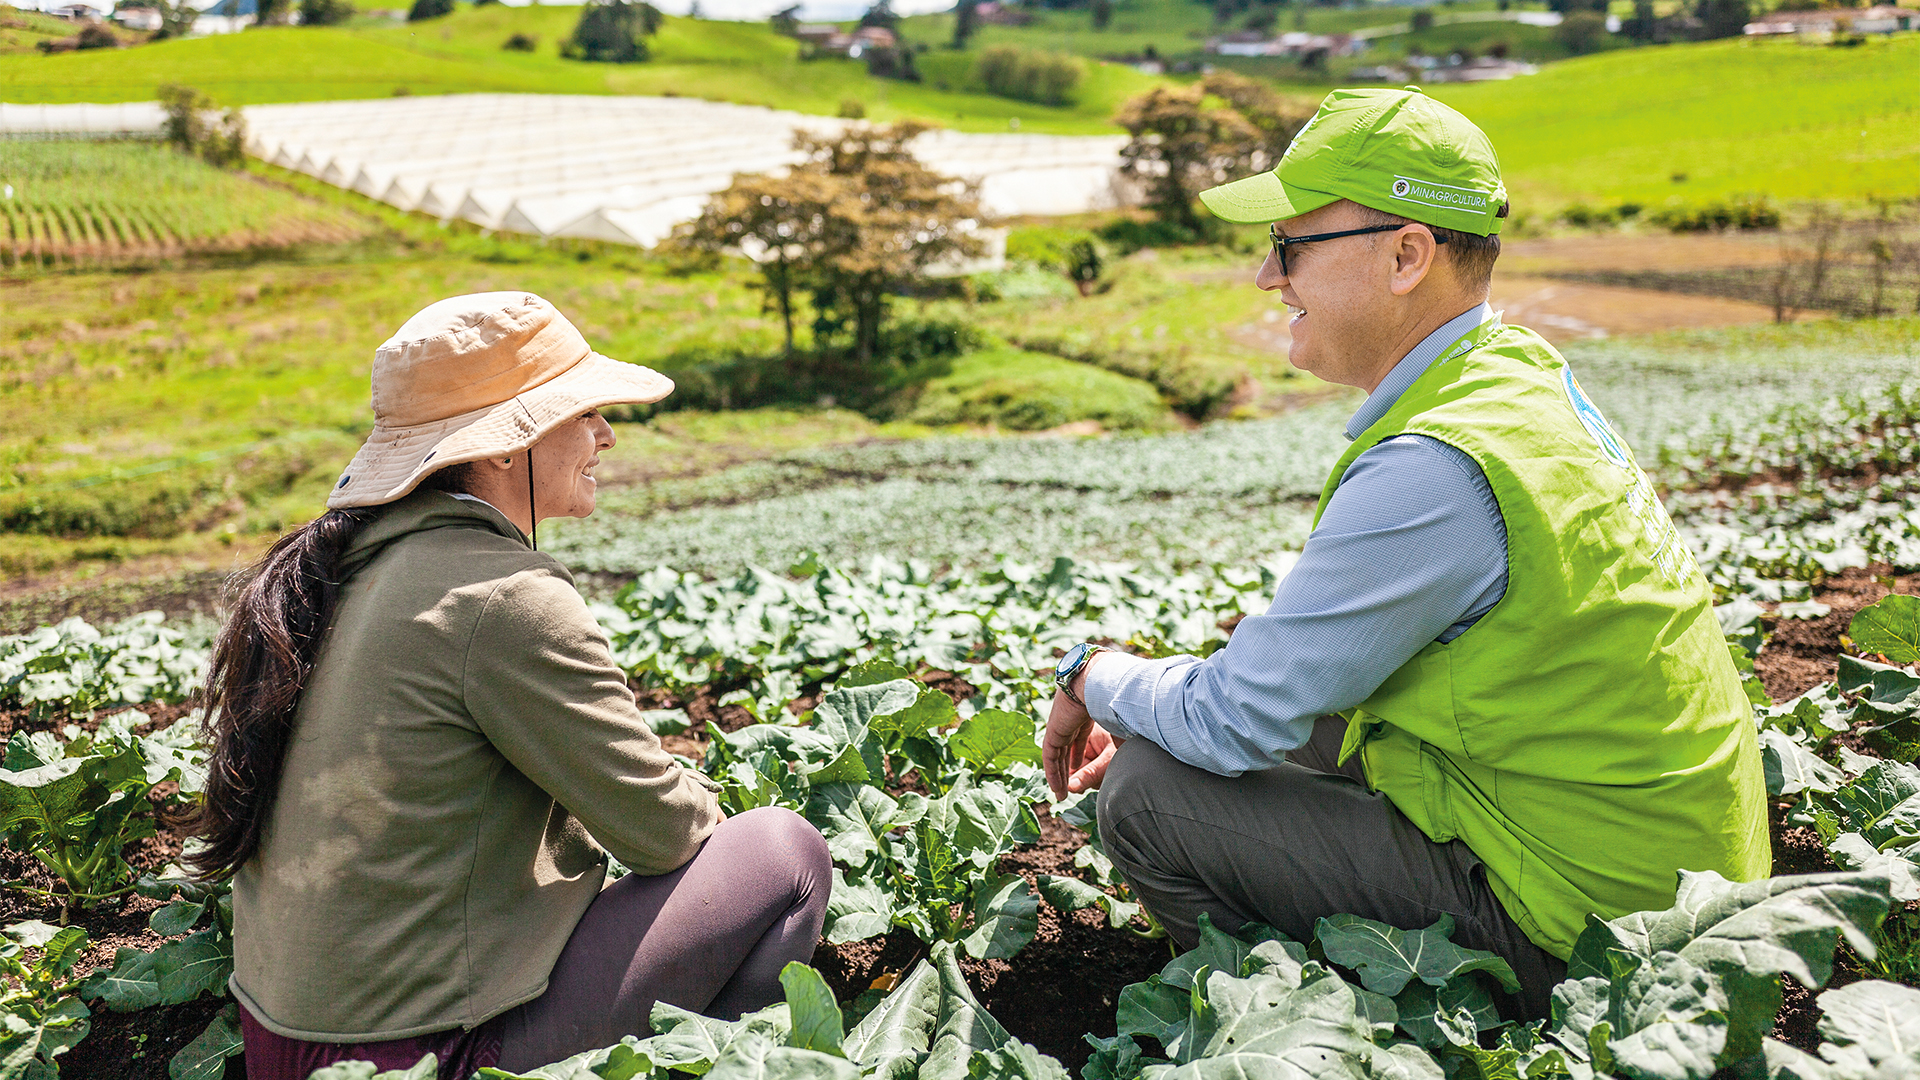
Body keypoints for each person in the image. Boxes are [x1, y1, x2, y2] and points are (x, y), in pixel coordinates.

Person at [1039, 88, 1769, 1017]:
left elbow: (1233, 718)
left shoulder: (1435, 468)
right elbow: (1285, 690)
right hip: (1669, 881)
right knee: (1260, 714)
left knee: (1146, 795)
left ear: (1406, 255)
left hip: (1600, 943)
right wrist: (1149, 701)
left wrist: (1089, 673)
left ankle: (1304, 1027)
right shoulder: (1515, 383)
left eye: (1291, 246)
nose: (1269, 276)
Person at [192, 292, 832, 1078]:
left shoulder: (346, 568)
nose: (605, 435)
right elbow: (664, 832)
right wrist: (691, 793)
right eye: (584, 412)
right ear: (504, 446)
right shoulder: (501, 597)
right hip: (426, 1057)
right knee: (781, 852)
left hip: (287, 1048)